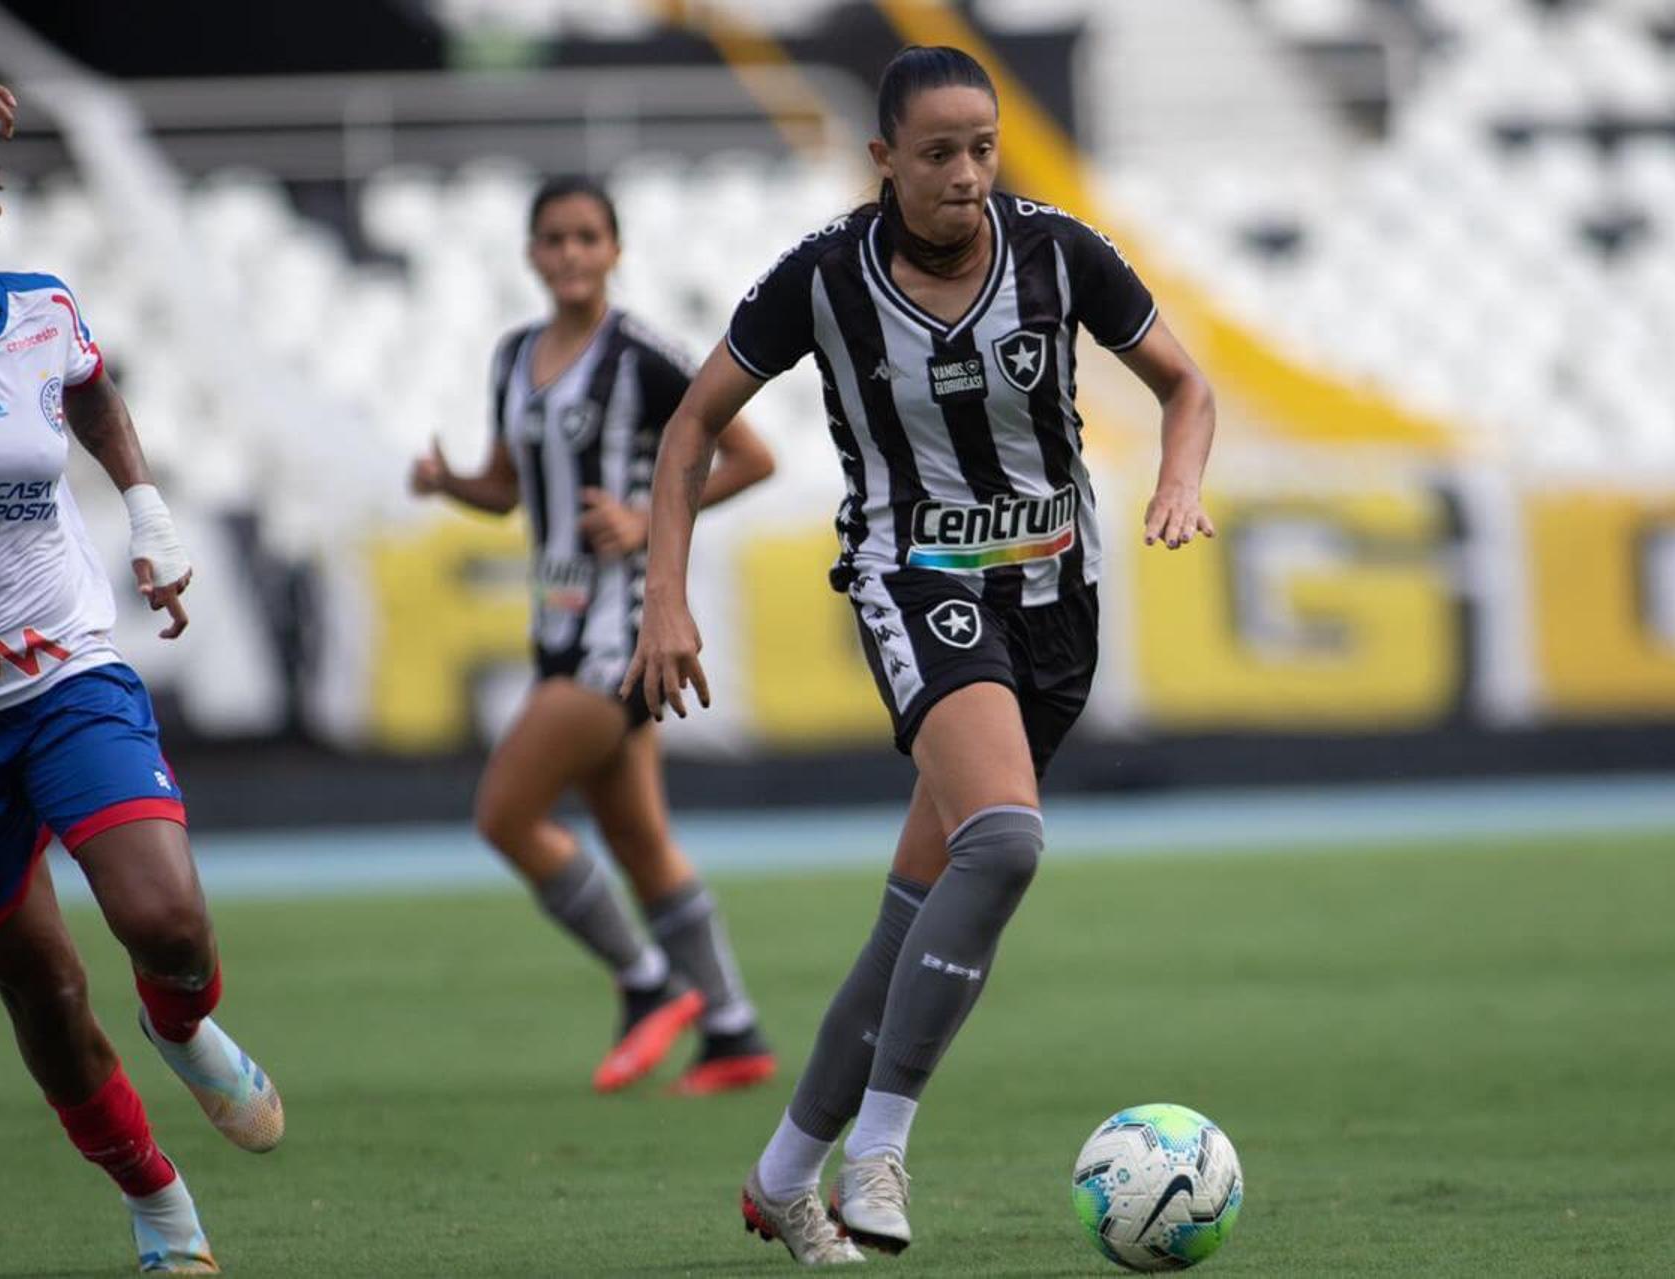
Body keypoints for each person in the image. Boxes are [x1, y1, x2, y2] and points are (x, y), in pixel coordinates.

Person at [622, 45, 1217, 1266]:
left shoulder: (1059, 252)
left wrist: (1179, 476)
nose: (965, 175)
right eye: (937, 153)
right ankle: (880, 1147)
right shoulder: (824, 279)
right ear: (883, 160)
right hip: (917, 583)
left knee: (915, 918)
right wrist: (663, 600)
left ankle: (782, 1178)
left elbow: (1185, 384)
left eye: (982, 149)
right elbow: (691, 427)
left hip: (1058, 602)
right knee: (1004, 842)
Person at [410, 177, 779, 1096]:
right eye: (554, 239)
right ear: (532, 255)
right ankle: (733, 1028)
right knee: (641, 842)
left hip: (622, 635)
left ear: (615, 250)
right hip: (556, 623)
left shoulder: (642, 355)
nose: (571, 254)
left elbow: (751, 456)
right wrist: (453, 483)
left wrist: (647, 518)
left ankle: (648, 983)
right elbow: (507, 486)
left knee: (505, 814)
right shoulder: (513, 356)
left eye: (587, 237)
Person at [0, 84, 283, 1275]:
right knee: (49, 1003)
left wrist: (151, 516)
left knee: (165, 920)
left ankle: (186, 1023)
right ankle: (161, 1207)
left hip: (63, 671)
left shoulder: (38, 308)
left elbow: (94, 396)